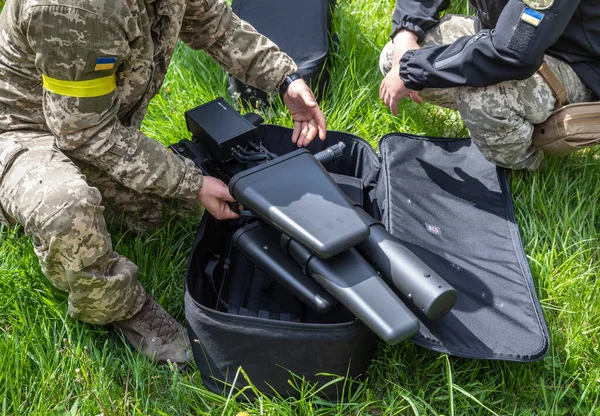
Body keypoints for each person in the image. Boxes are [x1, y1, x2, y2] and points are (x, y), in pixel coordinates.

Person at [0, 0, 326, 366]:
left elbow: (213, 24)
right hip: (25, 131)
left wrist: (284, 79)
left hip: (90, 121)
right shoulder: (75, 9)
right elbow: (85, 133)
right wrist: (191, 181)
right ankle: (119, 307)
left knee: (181, 210)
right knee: (67, 210)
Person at [379, 0, 599, 170]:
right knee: (393, 57)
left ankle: (524, 170)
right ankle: (507, 129)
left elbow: (514, 53)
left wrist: (414, 68)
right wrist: (406, 34)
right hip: (500, 34)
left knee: (482, 95)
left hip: (573, 63)